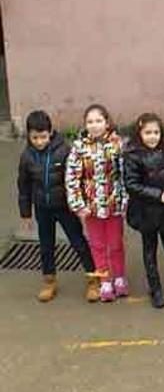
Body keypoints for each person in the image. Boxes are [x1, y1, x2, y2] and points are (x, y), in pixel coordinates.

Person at [18, 110, 98, 302]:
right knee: (46, 245)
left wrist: (80, 205)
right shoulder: (26, 156)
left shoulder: (64, 151)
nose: (39, 141)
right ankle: (49, 280)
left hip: (65, 207)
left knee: (78, 241)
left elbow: (76, 180)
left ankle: (93, 278)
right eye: (35, 137)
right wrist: (26, 213)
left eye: (43, 137)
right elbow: (23, 186)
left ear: (51, 132)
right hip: (42, 208)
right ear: (28, 135)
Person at [124, 113, 164, 308]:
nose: (152, 136)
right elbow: (132, 184)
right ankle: (155, 288)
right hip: (146, 213)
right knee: (149, 251)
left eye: (156, 132)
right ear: (139, 134)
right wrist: (158, 195)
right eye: (148, 133)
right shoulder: (132, 155)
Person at [65, 104, 128, 302]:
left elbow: (125, 174)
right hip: (91, 207)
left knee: (116, 243)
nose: (95, 125)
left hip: (114, 203)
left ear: (107, 122)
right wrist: (77, 204)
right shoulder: (78, 147)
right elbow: (72, 177)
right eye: (90, 122)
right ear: (85, 125)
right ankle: (105, 279)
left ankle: (119, 277)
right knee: (98, 245)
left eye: (98, 121)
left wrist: (125, 199)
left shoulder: (118, 144)